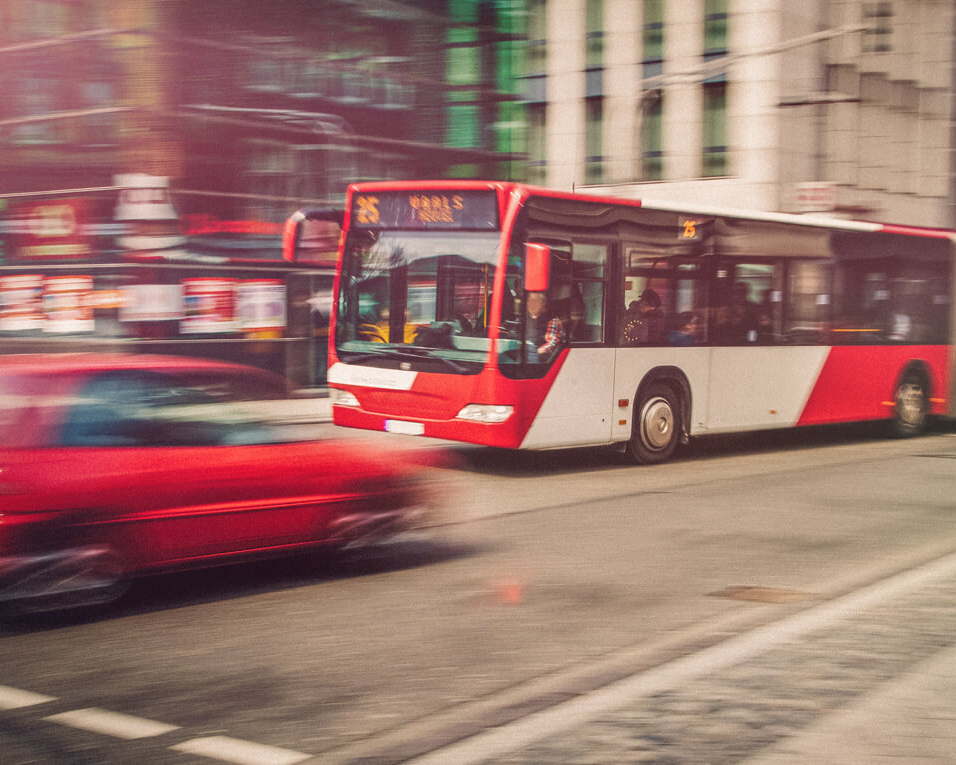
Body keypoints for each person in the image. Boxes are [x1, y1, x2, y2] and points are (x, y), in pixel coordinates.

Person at [525, 292, 566, 362]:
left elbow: (552, 343)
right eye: (530, 300)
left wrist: (535, 352)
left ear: (543, 303)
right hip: (525, 352)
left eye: (535, 301)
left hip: (540, 357)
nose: (532, 304)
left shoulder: (552, 320)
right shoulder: (524, 318)